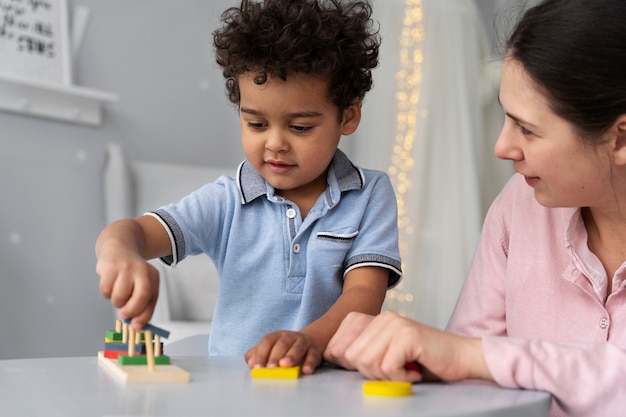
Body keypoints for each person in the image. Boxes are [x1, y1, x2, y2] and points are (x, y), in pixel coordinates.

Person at [323, 0, 626, 415]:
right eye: (506, 118)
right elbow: (463, 370)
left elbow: (470, 355)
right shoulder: (520, 206)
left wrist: (470, 355)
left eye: (528, 129)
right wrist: (408, 359)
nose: (503, 148)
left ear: (621, 138)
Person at [95, 0, 401, 375]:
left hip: (331, 385)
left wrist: (309, 342)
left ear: (348, 115)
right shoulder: (226, 201)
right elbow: (132, 232)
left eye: (300, 127)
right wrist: (121, 254)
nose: (275, 143)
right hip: (236, 388)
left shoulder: (370, 194)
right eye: (256, 124)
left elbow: (363, 295)